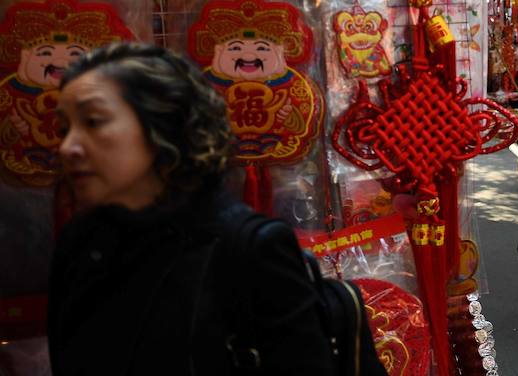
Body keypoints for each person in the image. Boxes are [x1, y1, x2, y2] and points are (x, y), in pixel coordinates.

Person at [47, 42, 336, 375]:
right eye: (64, 128)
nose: (68, 147)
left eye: (93, 121)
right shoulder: (81, 242)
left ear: (165, 124)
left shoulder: (250, 248)